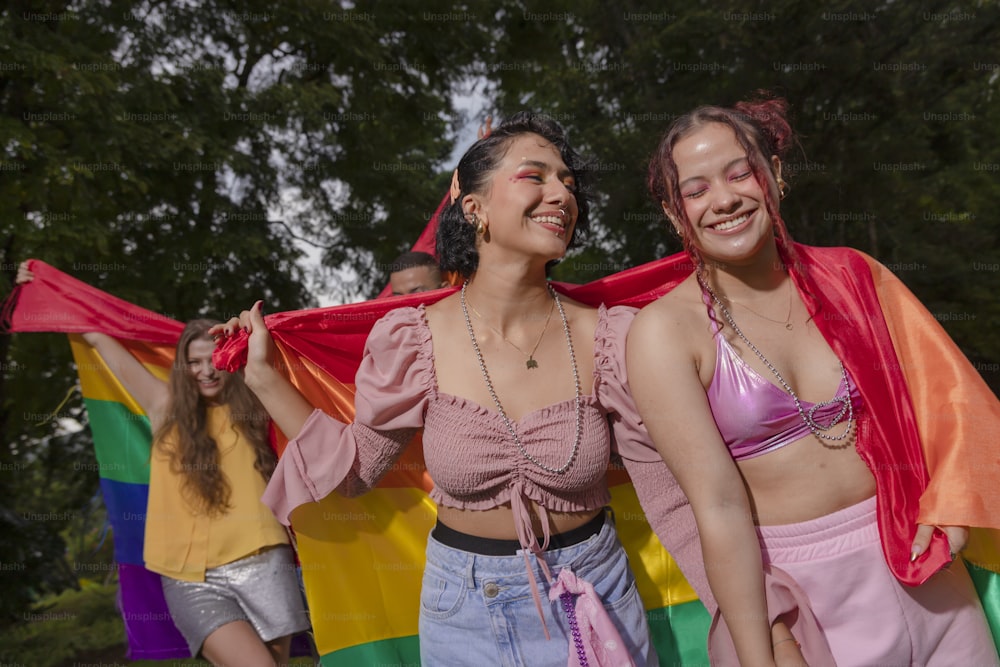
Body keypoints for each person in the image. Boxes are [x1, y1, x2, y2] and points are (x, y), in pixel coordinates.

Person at [215, 111, 667, 666]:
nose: (561, 195)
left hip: (596, 595)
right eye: (536, 176)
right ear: (472, 206)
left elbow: (673, 483)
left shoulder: (612, 336)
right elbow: (356, 474)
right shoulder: (412, 341)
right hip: (466, 610)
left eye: (568, 183)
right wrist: (261, 374)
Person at [628, 95, 1000, 666]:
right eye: (696, 189)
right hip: (803, 604)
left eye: (739, 172)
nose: (724, 199)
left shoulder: (852, 275)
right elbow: (718, 509)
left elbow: (947, 400)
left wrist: (951, 507)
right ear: (674, 212)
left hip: (925, 571)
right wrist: (761, 654)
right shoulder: (663, 335)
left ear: (774, 174)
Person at [16, 263, 310, 667]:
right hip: (189, 575)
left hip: (264, 560)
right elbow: (97, 337)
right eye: (193, 362)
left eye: (212, 359)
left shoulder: (257, 406)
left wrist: (249, 333)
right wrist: (48, 289)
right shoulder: (164, 407)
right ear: (182, 367)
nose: (205, 371)